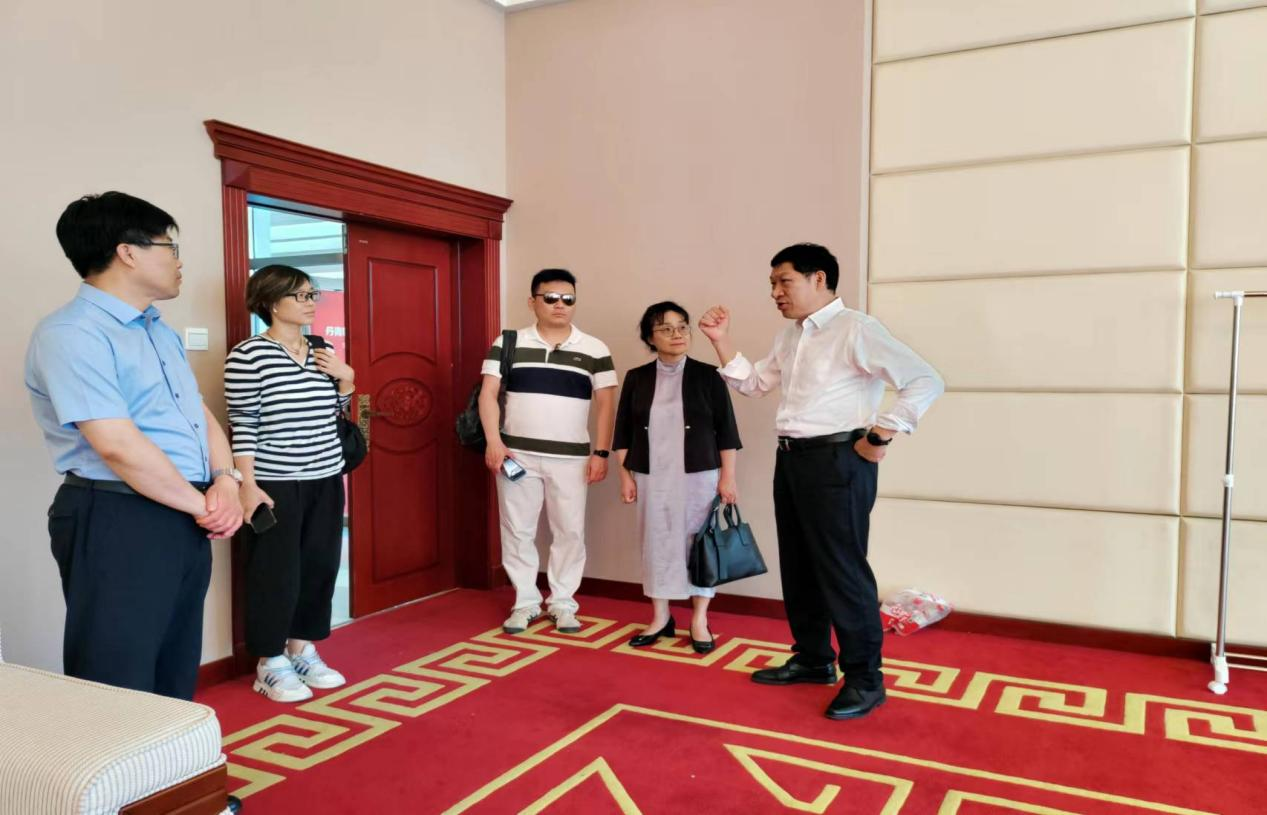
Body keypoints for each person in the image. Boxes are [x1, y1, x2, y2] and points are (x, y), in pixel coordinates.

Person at [699, 243, 943, 720]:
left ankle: (866, 680)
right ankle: (813, 659)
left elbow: (925, 379)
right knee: (800, 566)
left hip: (838, 461)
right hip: (793, 459)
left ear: (819, 279)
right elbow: (755, 384)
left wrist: (882, 433)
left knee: (841, 570)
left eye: (784, 281)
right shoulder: (791, 336)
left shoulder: (856, 329)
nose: (775, 292)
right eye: (772, 283)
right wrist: (720, 340)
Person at [25, 192, 245, 700]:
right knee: (116, 677)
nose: (179, 260)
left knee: (175, 666)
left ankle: (172, 758)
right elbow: (117, 446)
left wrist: (225, 481)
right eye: (170, 246)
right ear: (127, 252)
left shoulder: (157, 331)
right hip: (118, 515)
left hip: (183, 510)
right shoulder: (72, 333)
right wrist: (206, 507)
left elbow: (197, 413)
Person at [225, 265, 354, 703]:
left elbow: (334, 409)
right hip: (276, 481)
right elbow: (244, 423)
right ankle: (270, 660)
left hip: (326, 475)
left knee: (320, 565)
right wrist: (247, 484)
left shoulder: (321, 349)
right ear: (271, 302)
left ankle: (301, 648)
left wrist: (347, 377)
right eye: (300, 295)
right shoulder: (248, 355)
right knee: (275, 571)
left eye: (312, 294)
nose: (311, 302)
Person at [479, 269, 617, 634]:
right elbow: (488, 394)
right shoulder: (509, 342)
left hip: (572, 458)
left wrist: (601, 453)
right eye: (551, 298)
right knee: (516, 531)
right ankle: (525, 602)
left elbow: (606, 405)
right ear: (533, 302)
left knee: (569, 531)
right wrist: (494, 441)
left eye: (568, 299)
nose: (560, 305)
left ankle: (562, 603)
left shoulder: (594, 348)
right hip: (516, 455)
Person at [612, 301, 742, 653]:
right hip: (651, 474)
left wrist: (728, 478)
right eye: (666, 328)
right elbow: (623, 432)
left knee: (699, 543)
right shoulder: (637, 377)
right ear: (649, 337)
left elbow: (727, 432)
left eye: (682, 326)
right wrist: (625, 476)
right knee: (655, 541)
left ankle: (699, 619)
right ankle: (660, 617)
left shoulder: (709, 376)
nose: (677, 334)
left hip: (698, 474)